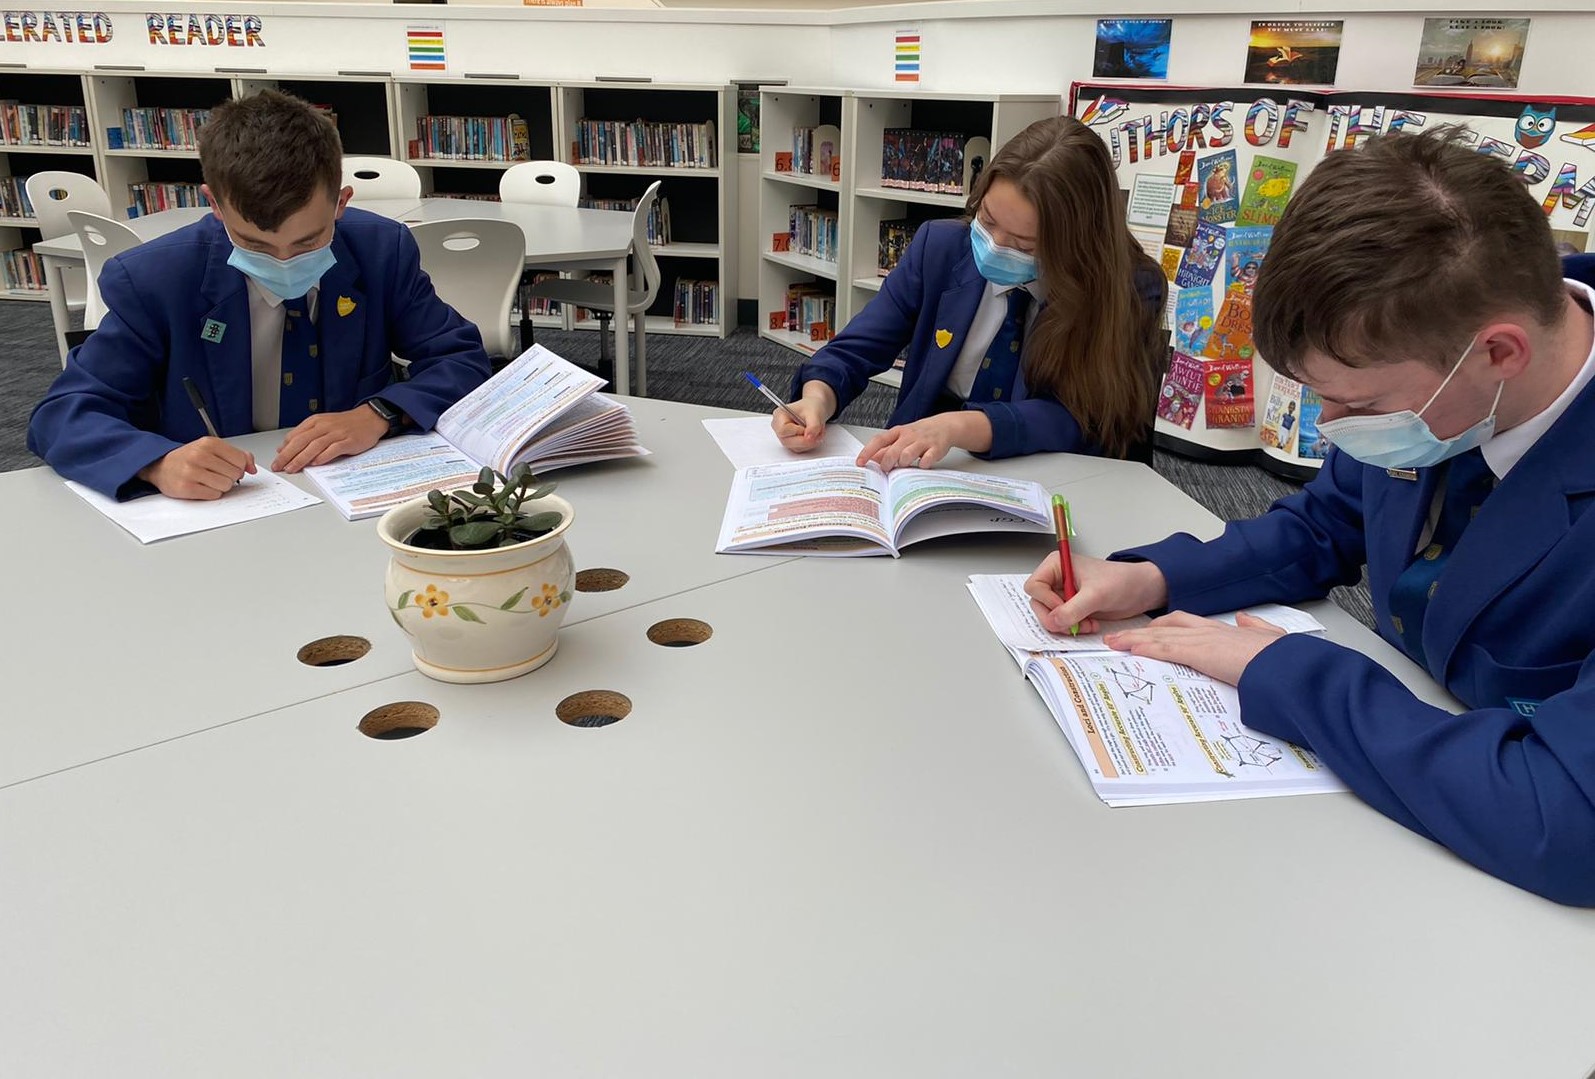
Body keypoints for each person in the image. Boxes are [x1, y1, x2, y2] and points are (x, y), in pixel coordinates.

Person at [1025, 128, 1595, 906]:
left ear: (1500, 353)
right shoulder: (1438, 347)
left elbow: (1567, 821)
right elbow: (1322, 526)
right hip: (1418, 791)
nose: (1329, 428)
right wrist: (1149, 576)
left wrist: (1287, 673)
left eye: (1356, 405)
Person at [28, 89, 491, 501]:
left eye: (308, 241)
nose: (284, 262)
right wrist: (155, 463)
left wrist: (381, 412)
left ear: (341, 202)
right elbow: (63, 414)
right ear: (214, 203)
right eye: (254, 245)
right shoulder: (155, 279)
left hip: (348, 494)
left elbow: (460, 360)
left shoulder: (379, 251)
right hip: (222, 506)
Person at [772, 115, 1166, 469]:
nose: (994, 246)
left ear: (1078, 243)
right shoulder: (941, 247)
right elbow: (857, 348)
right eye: (987, 219)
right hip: (930, 457)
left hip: (1048, 466)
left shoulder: (1130, 288)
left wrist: (962, 426)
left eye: (1025, 245)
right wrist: (817, 398)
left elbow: (1088, 420)